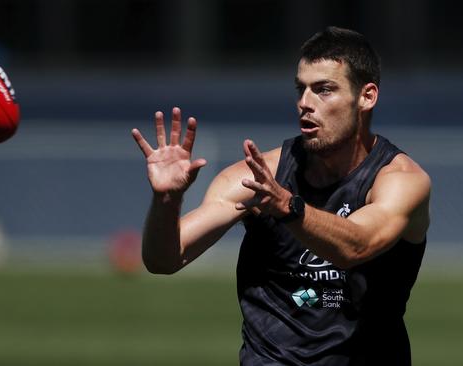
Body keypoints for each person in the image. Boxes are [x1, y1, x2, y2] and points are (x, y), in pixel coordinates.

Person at [131, 26, 430, 365]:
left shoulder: (400, 180)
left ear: (367, 96)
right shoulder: (256, 177)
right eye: (301, 89)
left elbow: (357, 245)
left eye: (324, 90)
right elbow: (164, 260)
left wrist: (288, 207)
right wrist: (166, 201)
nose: (305, 103)